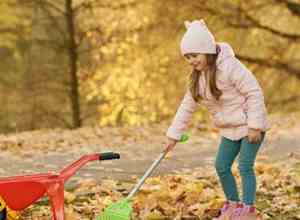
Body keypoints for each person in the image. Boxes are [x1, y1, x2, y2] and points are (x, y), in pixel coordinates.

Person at [165, 19, 269, 220]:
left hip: (250, 125)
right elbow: (186, 106)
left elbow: (254, 92)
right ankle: (233, 204)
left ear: (207, 50)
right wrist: (173, 135)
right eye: (187, 57)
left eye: (194, 55)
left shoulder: (230, 67)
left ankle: (248, 210)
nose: (191, 61)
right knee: (221, 165)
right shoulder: (198, 78)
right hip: (229, 129)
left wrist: (255, 125)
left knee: (244, 166)